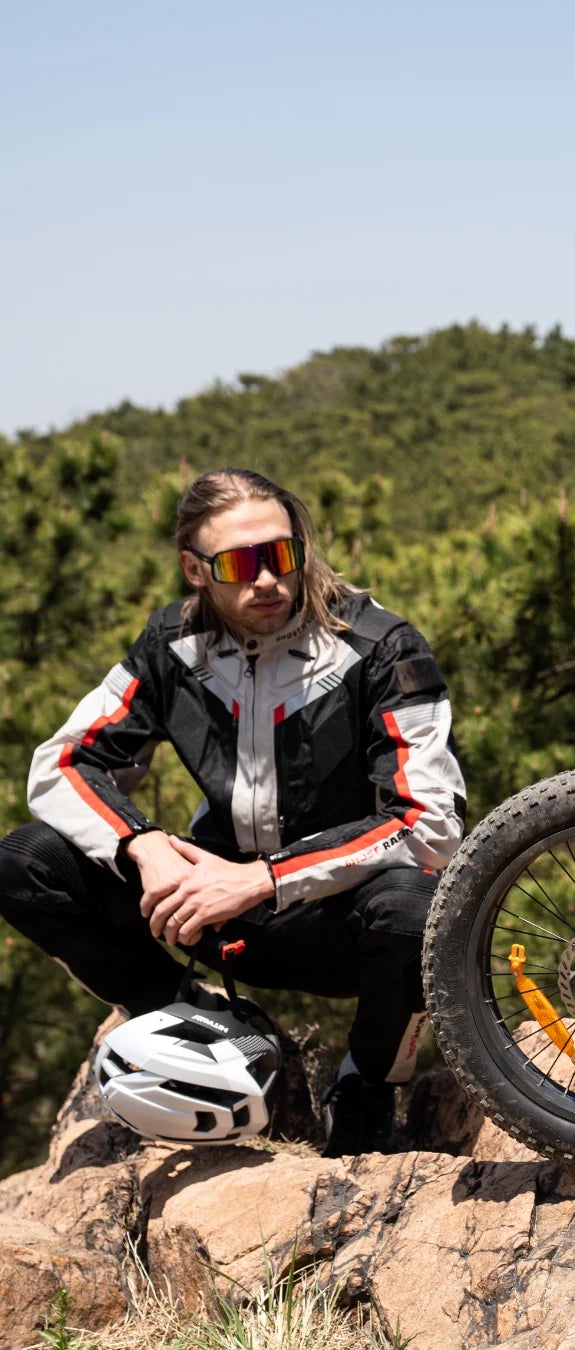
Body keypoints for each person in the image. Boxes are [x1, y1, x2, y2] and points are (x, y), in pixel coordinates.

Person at [0, 468, 466, 1155]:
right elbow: (62, 763)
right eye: (240, 564)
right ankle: (198, 1026)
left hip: (333, 918)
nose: (269, 580)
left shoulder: (382, 647)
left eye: (283, 554)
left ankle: (366, 1083)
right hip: (209, 912)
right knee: (23, 863)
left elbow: (429, 825)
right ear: (195, 569)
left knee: (419, 907)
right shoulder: (172, 644)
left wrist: (263, 878)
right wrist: (144, 845)